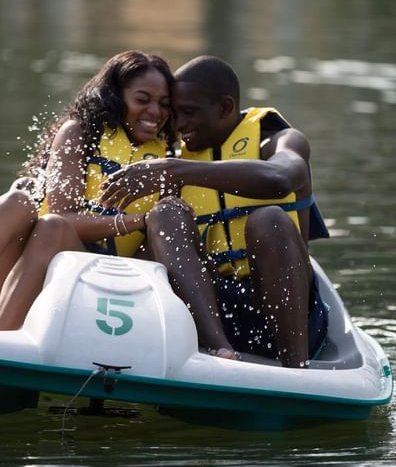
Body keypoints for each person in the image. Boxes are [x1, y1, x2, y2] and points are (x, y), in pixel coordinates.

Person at [99, 55, 330, 368]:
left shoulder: (277, 139)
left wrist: (176, 170)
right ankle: (221, 351)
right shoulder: (177, 161)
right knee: (165, 215)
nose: (179, 126)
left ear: (224, 107)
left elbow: (280, 178)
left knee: (269, 219)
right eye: (175, 114)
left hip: (292, 318)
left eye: (190, 112)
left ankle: (296, 370)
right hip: (216, 315)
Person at [0, 50, 179, 330]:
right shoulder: (81, 133)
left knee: (51, 227)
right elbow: (62, 217)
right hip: (15, 284)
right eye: (142, 100)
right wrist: (137, 221)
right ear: (115, 97)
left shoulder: (171, 158)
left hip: (95, 297)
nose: (155, 112)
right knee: (21, 204)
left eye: (165, 104)